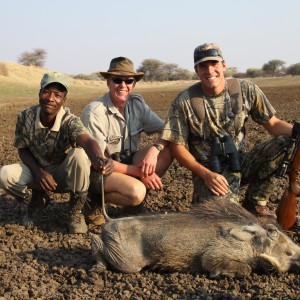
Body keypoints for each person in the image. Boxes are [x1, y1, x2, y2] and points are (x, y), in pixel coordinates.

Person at [161, 42, 300, 217]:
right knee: (227, 217)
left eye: (214, 64)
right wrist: (205, 175)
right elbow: (177, 146)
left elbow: (272, 124)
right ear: (196, 70)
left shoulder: (245, 90)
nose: (210, 70)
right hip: (209, 171)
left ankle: (255, 203)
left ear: (224, 65)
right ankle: (204, 202)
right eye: (203, 66)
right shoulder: (184, 102)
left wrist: (297, 131)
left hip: (240, 162)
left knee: (286, 142)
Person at [0, 72, 113, 234]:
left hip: (63, 175)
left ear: (64, 100)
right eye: (46, 92)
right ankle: (37, 199)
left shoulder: (70, 120)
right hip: (36, 172)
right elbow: (22, 148)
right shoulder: (25, 117)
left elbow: (87, 141)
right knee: (5, 174)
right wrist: (39, 172)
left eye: (57, 95)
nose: (51, 98)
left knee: (79, 155)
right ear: (39, 94)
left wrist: (100, 158)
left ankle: (76, 211)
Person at [81, 57, 173, 222]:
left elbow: (167, 130)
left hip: (126, 160)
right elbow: (99, 161)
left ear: (134, 84)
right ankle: (92, 200)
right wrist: (140, 173)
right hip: (99, 170)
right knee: (137, 191)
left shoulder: (137, 104)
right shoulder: (95, 112)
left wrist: (154, 150)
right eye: (117, 80)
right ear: (108, 82)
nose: (123, 85)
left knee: (167, 151)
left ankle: (131, 206)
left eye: (128, 81)